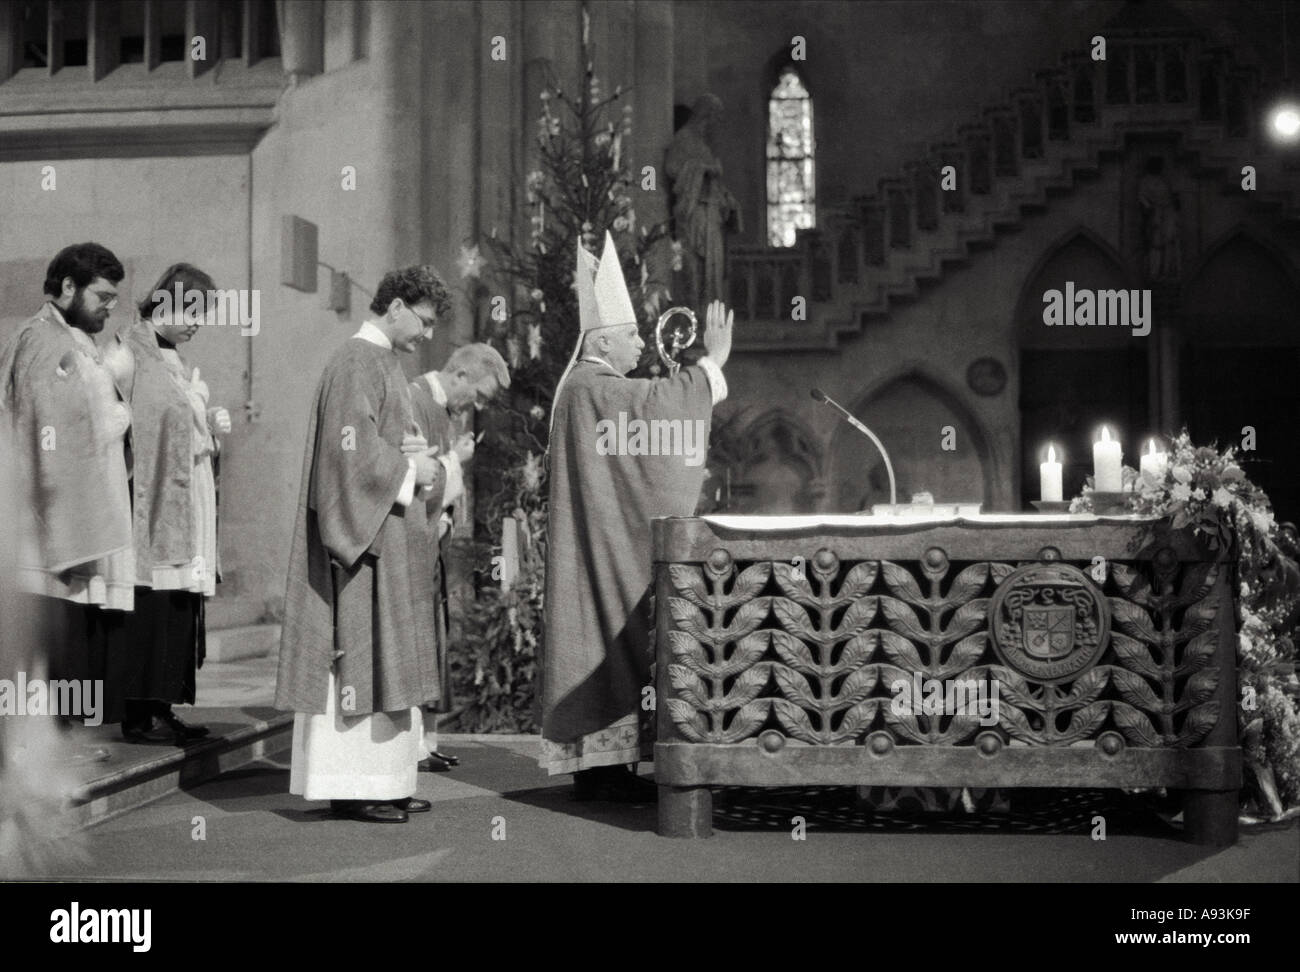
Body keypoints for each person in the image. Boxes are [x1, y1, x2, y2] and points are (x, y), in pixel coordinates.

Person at [541, 232, 733, 800]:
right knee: (601, 636)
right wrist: (709, 367)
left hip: (599, 540)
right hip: (596, 548)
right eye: (630, 337)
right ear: (602, 339)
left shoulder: (590, 388)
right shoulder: (590, 387)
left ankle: (607, 767)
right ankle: (601, 771)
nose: (640, 349)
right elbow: (656, 409)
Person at [275, 265, 460, 824]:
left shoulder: (383, 363)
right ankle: (353, 787)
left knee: (387, 660)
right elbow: (347, 458)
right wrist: (411, 467)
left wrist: (412, 454)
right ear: (396, 306)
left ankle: (386, 780)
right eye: (424, 323)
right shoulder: (357, 361)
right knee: (359, 658)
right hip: (362, 550)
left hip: (388, 535)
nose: (428, 336)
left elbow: (379, 441)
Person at [0, 243, 133, 761]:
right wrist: (113, 410)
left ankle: (58, 736)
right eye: (103, 296)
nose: (109, 307)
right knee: (49, 640)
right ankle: (46, 743)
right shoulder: (45, 342)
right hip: (45, 517)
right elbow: (45, 431)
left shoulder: (65, 339)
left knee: (66, 635)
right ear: (69, 288)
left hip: (59, 514)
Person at [105, 263, 231, 744]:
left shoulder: (171, 357)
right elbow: (117, 420)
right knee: (152, 604)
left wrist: (209, 429)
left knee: (176, 604)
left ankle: (161, 704)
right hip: (151, 503)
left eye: (206, 314)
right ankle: (139, 712)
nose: (198, 322)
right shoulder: (127, 352)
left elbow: (183, 425)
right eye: (193, 310)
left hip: (186, 497)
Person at [409, 343, 510, 771]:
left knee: (434, 640)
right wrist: (456, 459)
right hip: (413, 545)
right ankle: (410, 746)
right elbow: (417, 479)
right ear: (461, 376)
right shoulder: (415, 399)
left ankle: (425, 743)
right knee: (417, 643)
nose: (478, 407)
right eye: (480, 396)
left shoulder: (445, 409)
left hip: (434, 545)